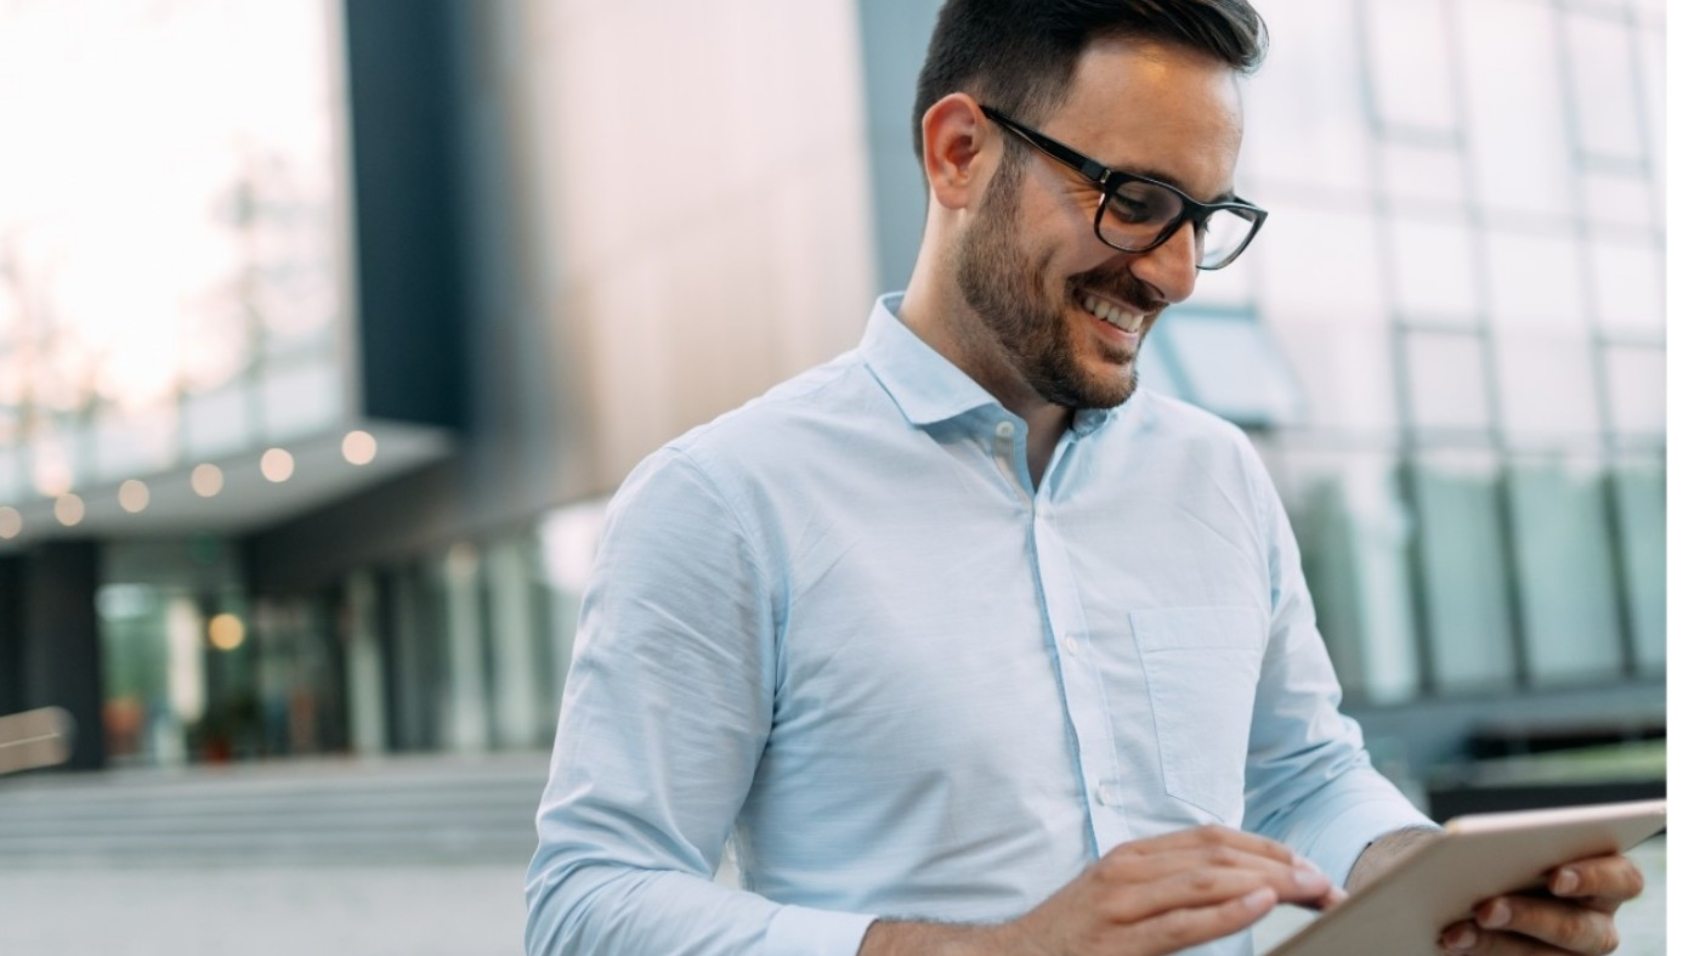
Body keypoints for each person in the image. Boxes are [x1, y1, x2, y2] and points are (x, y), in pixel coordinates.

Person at [525, 2, 1645, 954]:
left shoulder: (1215, 475)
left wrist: (1437, 880)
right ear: (958, 151)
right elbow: (587, 897)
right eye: (1135, 198)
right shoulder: (724, 497)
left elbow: (1296, 771)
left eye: (1202, 219)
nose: (1172, 272)